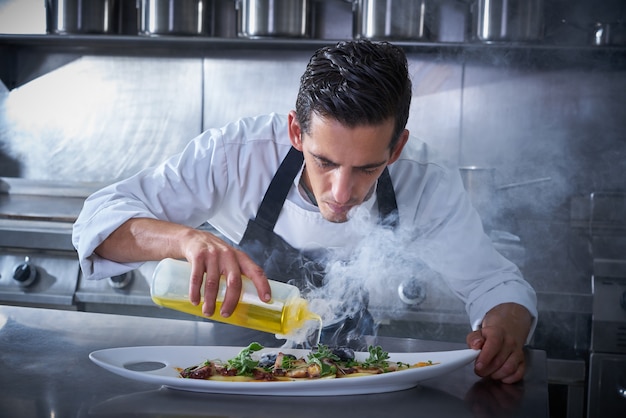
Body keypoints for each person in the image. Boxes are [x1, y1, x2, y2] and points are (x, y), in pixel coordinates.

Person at [72, 39, 537, 384]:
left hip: (356, 381)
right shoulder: (237, 154)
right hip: (230, 376)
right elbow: (98, 220)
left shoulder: (428, 182)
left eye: (366, 168)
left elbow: (494, 284)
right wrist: (186, 239)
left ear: (397, 149)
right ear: (296, 131)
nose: (341, 191)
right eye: (325, 161)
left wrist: (504, 329)